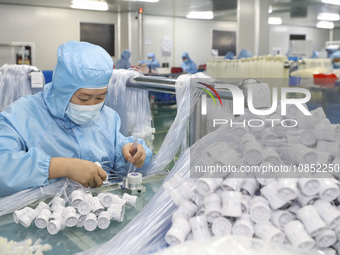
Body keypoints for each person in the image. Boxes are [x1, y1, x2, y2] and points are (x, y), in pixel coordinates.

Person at [0, 41, 152, 197]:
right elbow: (3, 167)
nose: (92, 105)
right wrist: (60, 167)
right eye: (84, 99)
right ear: (62, 89)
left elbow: (122, 154)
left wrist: (133, 154)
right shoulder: (23, 115)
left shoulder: (107, 117)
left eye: (100, 97)